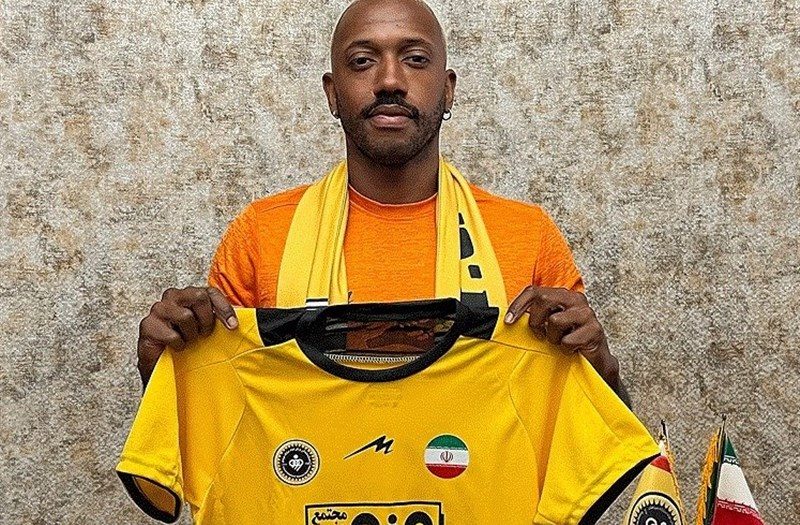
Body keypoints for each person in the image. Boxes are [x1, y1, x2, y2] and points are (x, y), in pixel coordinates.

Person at [135, 0, 626, 404]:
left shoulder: (527, 235)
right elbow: (217, 430)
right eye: (362, 61)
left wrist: (602, 367)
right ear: (332, 94)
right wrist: (163, 369)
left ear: (448, 90)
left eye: (415, 59)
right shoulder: (262, 236)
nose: (390, 81)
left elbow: (597, 449)